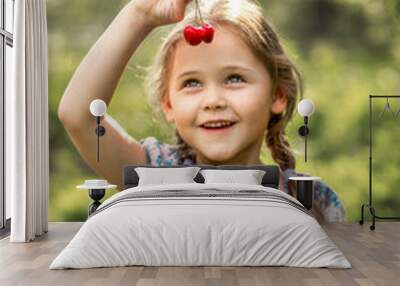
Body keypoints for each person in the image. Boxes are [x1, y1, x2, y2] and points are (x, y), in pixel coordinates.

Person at [58, 0, 345, 222]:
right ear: (169, 104)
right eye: (192, 83)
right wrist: (139, 15)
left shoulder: (313, 199)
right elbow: (78, 115)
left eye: (234, 79)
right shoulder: (155, 171)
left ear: (278, 95)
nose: (213, 100)